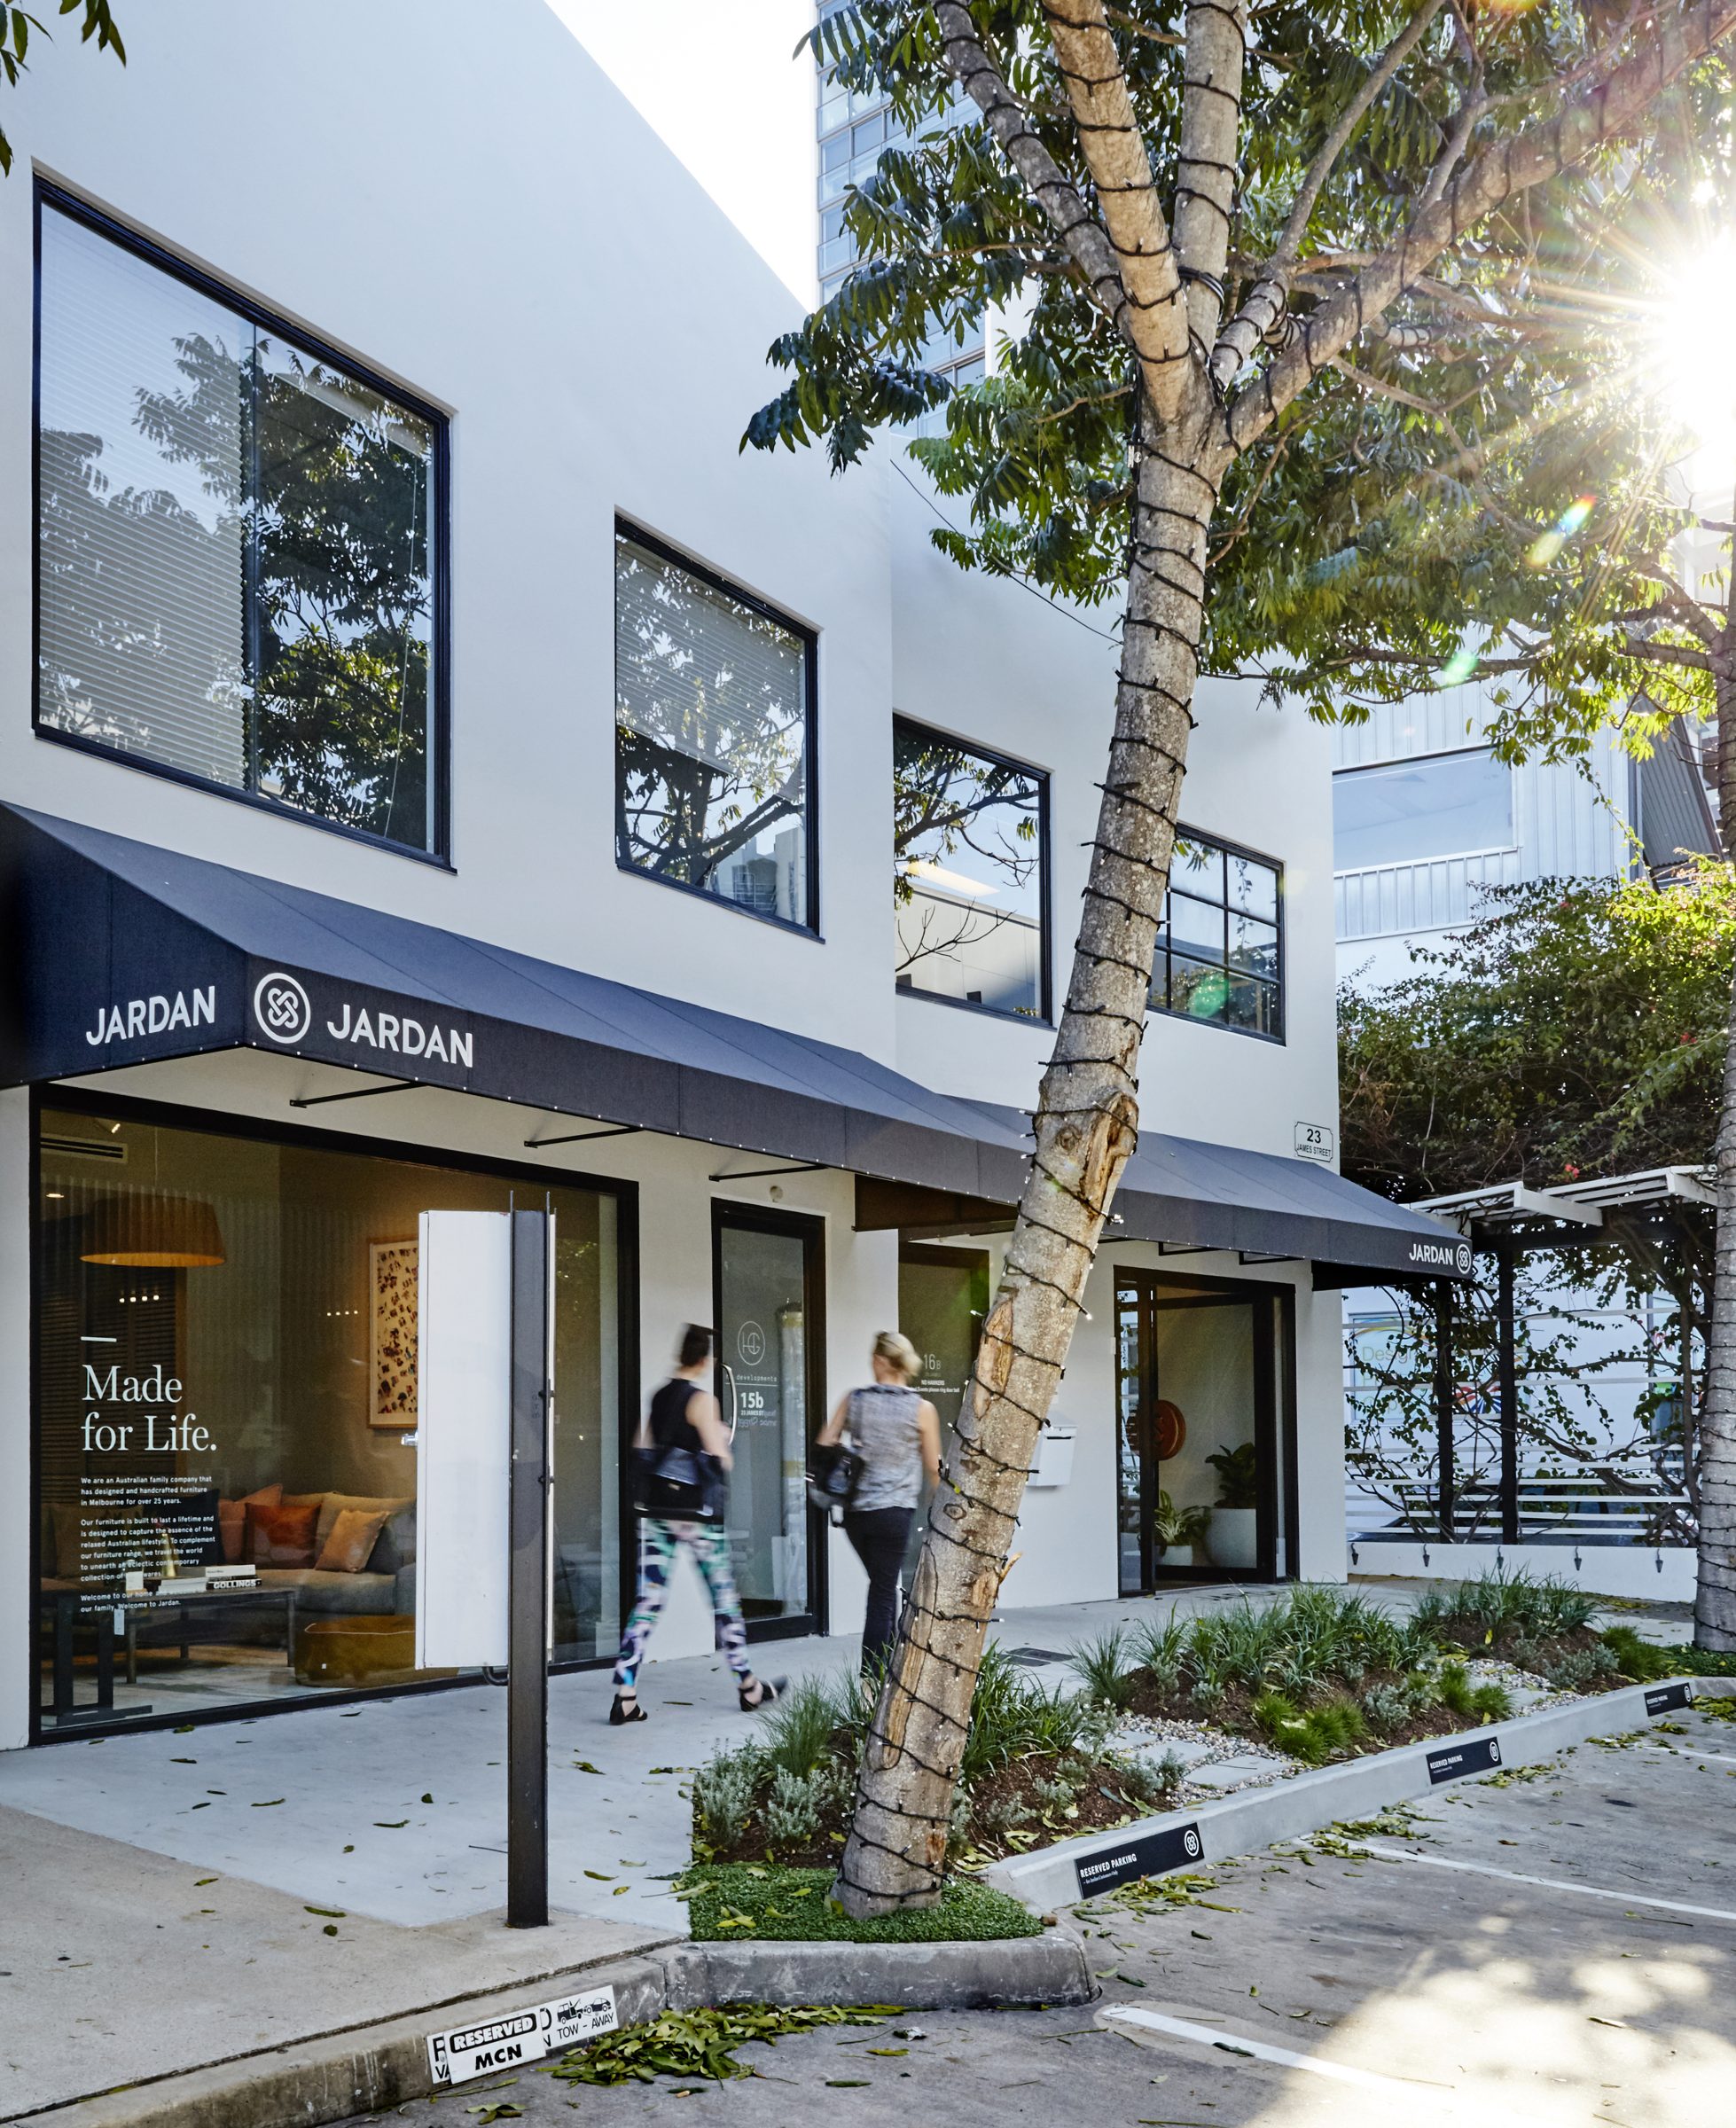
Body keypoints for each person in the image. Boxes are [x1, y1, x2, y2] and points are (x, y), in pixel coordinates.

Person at [610, 1325, 784, 1725]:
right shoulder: (702, 1400)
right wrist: (720, 1436)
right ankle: (749, 1688)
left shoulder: (659, 1395)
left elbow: (641, 1448)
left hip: (657, 1515)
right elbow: (721, 1460)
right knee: (723, 1599)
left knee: (647, 1602)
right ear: (705, 1361)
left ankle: (626, 1694)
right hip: (695, 1517)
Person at [817, 1330, 942, 1678]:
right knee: (884, 1592)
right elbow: (934, 1467)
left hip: (857, 1514)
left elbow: (825, 1442)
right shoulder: (921, 1409)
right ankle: (873, 1680)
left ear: (881, 1361)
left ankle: (888, 1671)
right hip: (895, 1513)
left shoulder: (854, 1399)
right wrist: (941, 1506)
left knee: (883, 1586)